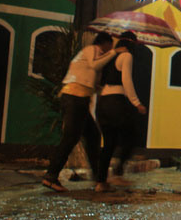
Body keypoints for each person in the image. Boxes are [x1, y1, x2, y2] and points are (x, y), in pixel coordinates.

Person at [42, 31, 124, 192]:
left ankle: (99, 178)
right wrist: (115, 52)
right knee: (71, 137)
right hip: (74, 97)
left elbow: (92, 77)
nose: (110, 49)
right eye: (110, 46)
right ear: (104, 43)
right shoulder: (92, 50)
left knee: (93, 135)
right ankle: (51, 176)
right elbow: (95, 65)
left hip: (81, 99)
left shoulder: (96, 56)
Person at [95, 31, 147, 192]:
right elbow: (126, 81)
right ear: (131, 44)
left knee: (109, 143)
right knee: (132, 136)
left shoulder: (109, 57)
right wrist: (137, 103)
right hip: (116, 102)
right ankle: (117, 173)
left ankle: (101, 182)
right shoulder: (126, 56)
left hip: (102, 102)